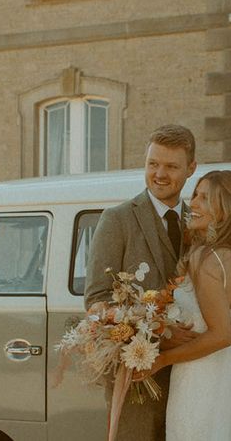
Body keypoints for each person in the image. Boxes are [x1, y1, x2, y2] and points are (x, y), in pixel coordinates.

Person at [84, 124, 198, 441]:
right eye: (152, 164)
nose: (159, 174)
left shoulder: (199, 222)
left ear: (191, 168)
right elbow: (96, 301)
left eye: (171, 166)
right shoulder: (117, 219)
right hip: (137, 377)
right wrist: (162, 332)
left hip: (194, 375)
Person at [140, 170, 231, 441]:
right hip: (220, 376)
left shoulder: (206, 259)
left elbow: (221, 334)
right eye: (195, 194)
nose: (193, 203)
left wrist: (161, 360)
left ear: (226, 211)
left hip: (200, 380)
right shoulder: (226, 255)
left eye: (205, 198)